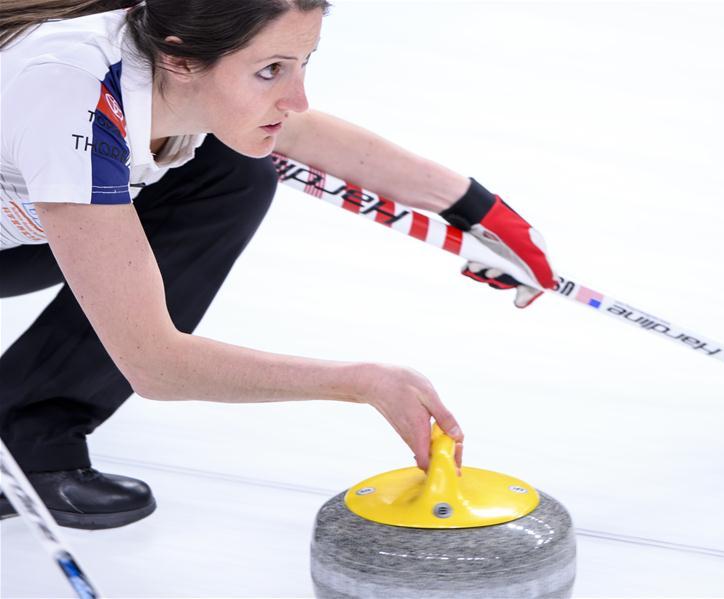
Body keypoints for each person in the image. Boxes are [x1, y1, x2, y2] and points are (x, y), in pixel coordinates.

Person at [0, 0, 555, 529]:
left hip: (31, 229)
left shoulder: (167, 45)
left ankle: (28, 430)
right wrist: (359, 382)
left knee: (237, 165)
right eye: (271, 70)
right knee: (233, 158)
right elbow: (154, 364)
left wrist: (479, 212)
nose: (298, 98)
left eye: (301, 64)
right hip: (28, 231)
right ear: (180, 57)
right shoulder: (70, 92)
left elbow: (295, 129)